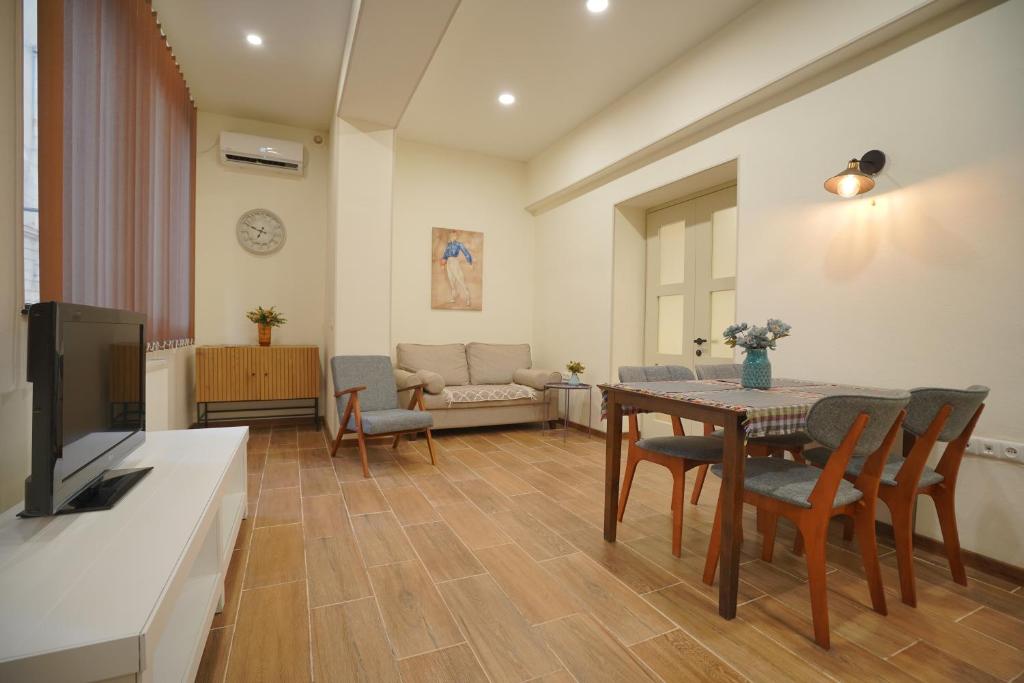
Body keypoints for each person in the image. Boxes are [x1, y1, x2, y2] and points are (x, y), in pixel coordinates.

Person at [439, 230, 474, 306]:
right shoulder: (448, 245)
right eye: (451, 236)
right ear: (450, 236)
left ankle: (468, 298)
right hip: (449, 263)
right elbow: (445, 255)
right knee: (451, 280)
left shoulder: (459, 244)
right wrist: (442, 264)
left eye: (454, 235)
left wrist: (470, 262)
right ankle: (453, 297)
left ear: (456, 236)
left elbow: (466, 252)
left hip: (455, 262)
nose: (453, 237)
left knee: (460, 279)